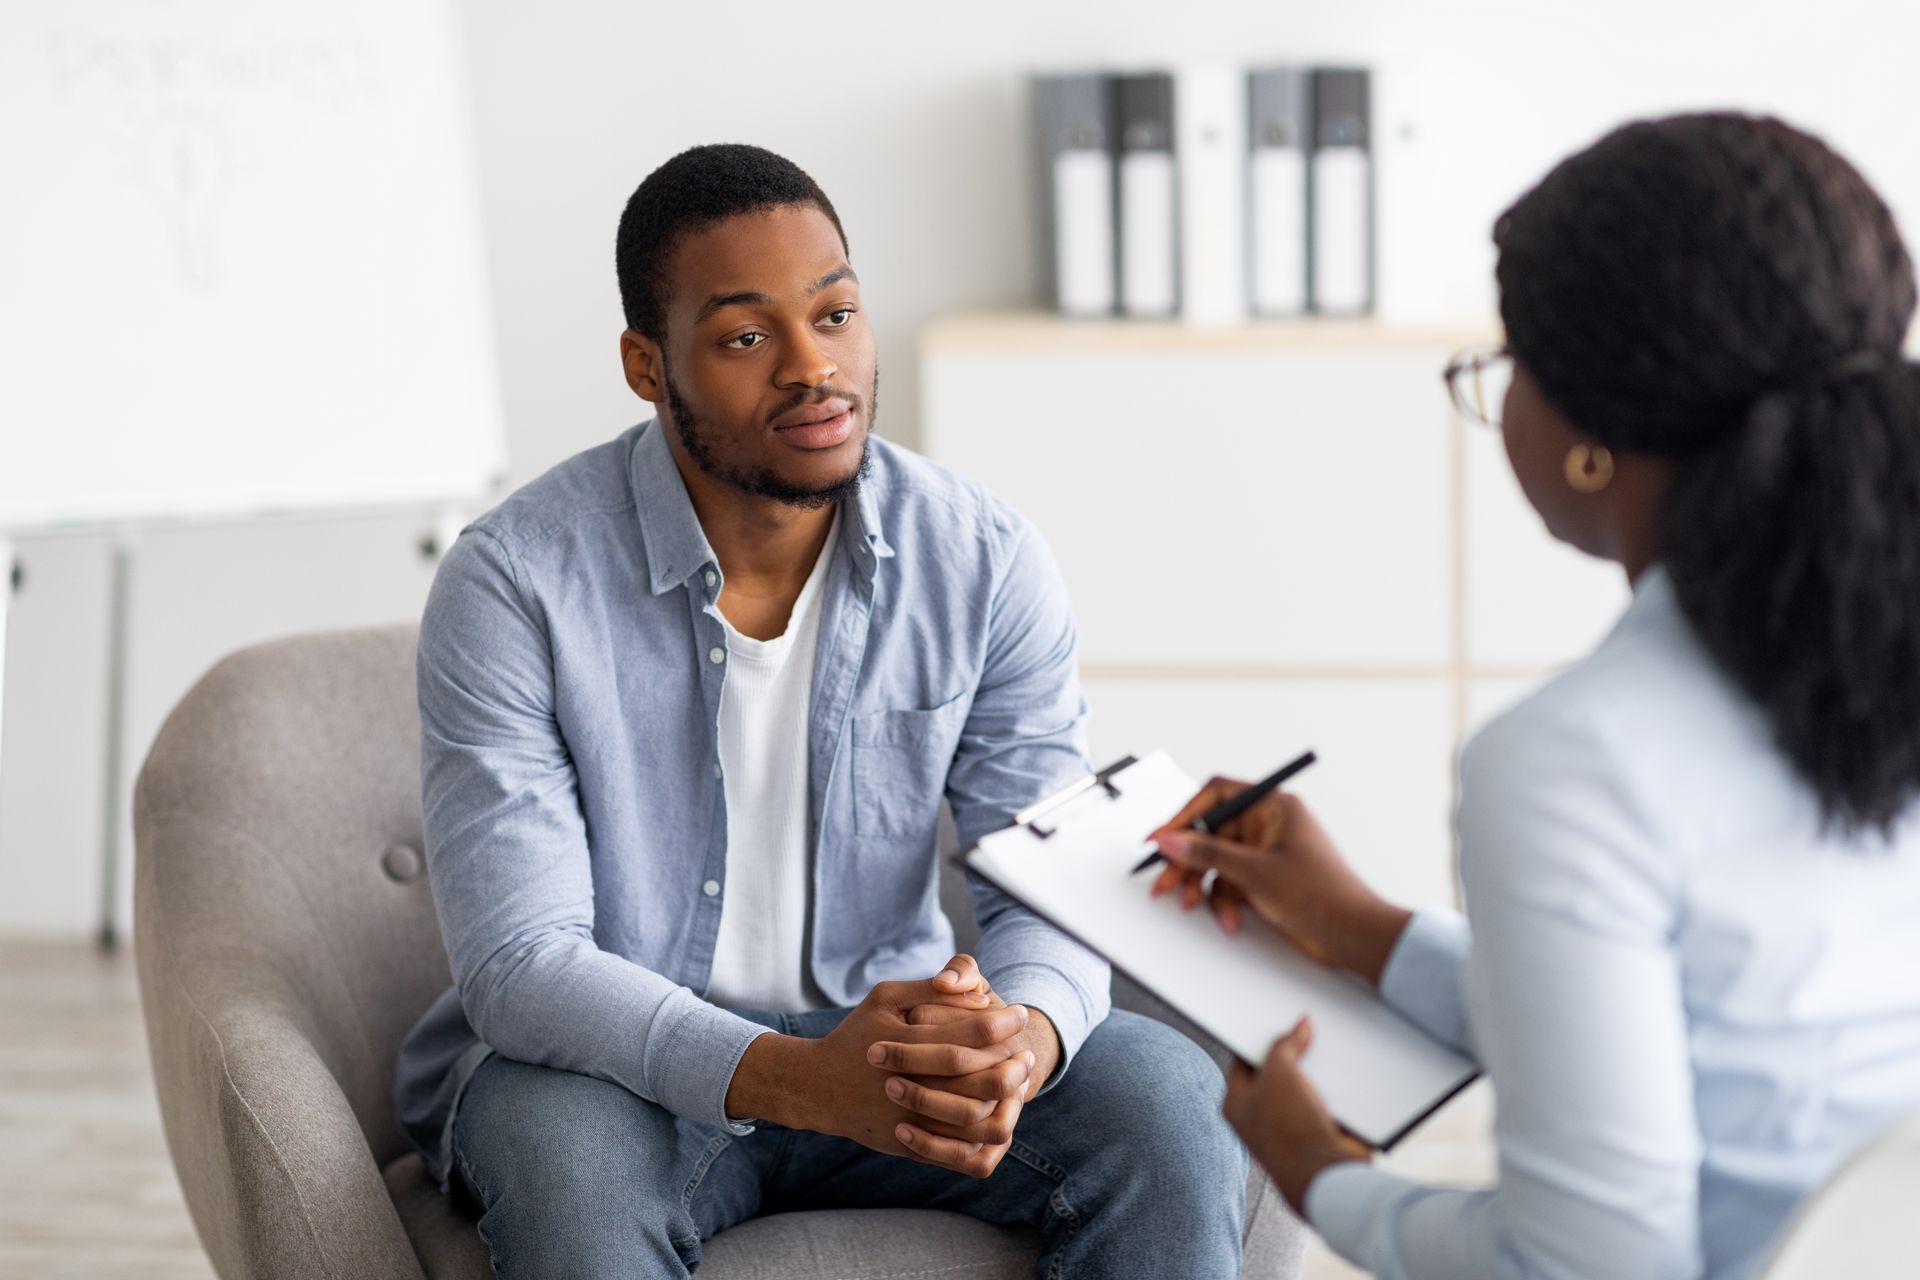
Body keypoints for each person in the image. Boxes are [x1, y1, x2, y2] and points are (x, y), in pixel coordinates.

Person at [391, 143, 1246, 1279]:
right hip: (613, 1069)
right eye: (747, 336)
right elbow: (524, 960)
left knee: (1170, 1099)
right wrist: (800, 1078)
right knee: (568, 1178)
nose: (813, 367)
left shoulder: (983, 560)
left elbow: (1052, 879)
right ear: (649, 366)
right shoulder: (515, 581)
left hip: (890, 1047)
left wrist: (1022, 1037)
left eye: (836, 313)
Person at [1150, 112, 1920, 1280]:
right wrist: (1365, 930)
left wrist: (1321, 1174)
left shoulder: (1575, 760)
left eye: (1508, 361)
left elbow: (1587, 1263)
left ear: (1592, 440)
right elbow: (1719, 1052)